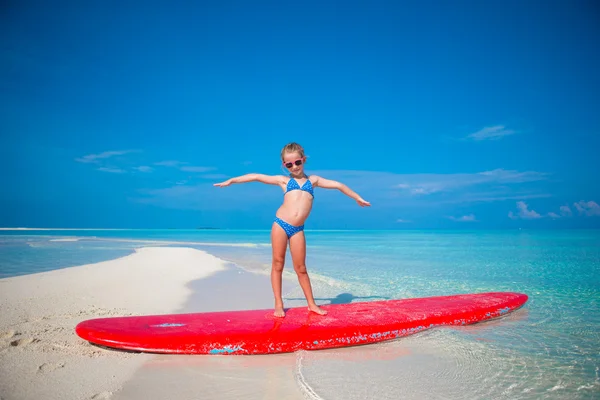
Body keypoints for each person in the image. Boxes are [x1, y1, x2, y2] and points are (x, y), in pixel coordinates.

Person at [213, 142, 370, 317]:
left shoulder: (313, 181)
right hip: (280, 224)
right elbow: (256, 176)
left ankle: (311, 304)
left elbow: (339, 185)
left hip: (297, 229)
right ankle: (279, 304)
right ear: (284, 166)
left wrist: (358, 198)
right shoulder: (284, 181)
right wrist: (232, 181)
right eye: (289, 164)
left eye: (297, 162)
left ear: (303, 160)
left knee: (301, 268)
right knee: (278, 264)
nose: (294, 167)